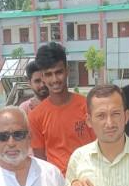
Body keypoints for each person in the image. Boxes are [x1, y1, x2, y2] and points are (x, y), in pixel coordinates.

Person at [28, 42, 95, 175]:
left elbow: (98, 147)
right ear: (42, 77)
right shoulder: (35, 116)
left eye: (58, 72)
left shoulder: (87, 106)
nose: (55, 80)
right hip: (56, 182)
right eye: (48, 74)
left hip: (88, 178)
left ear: (67, 70)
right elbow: (40, 161)